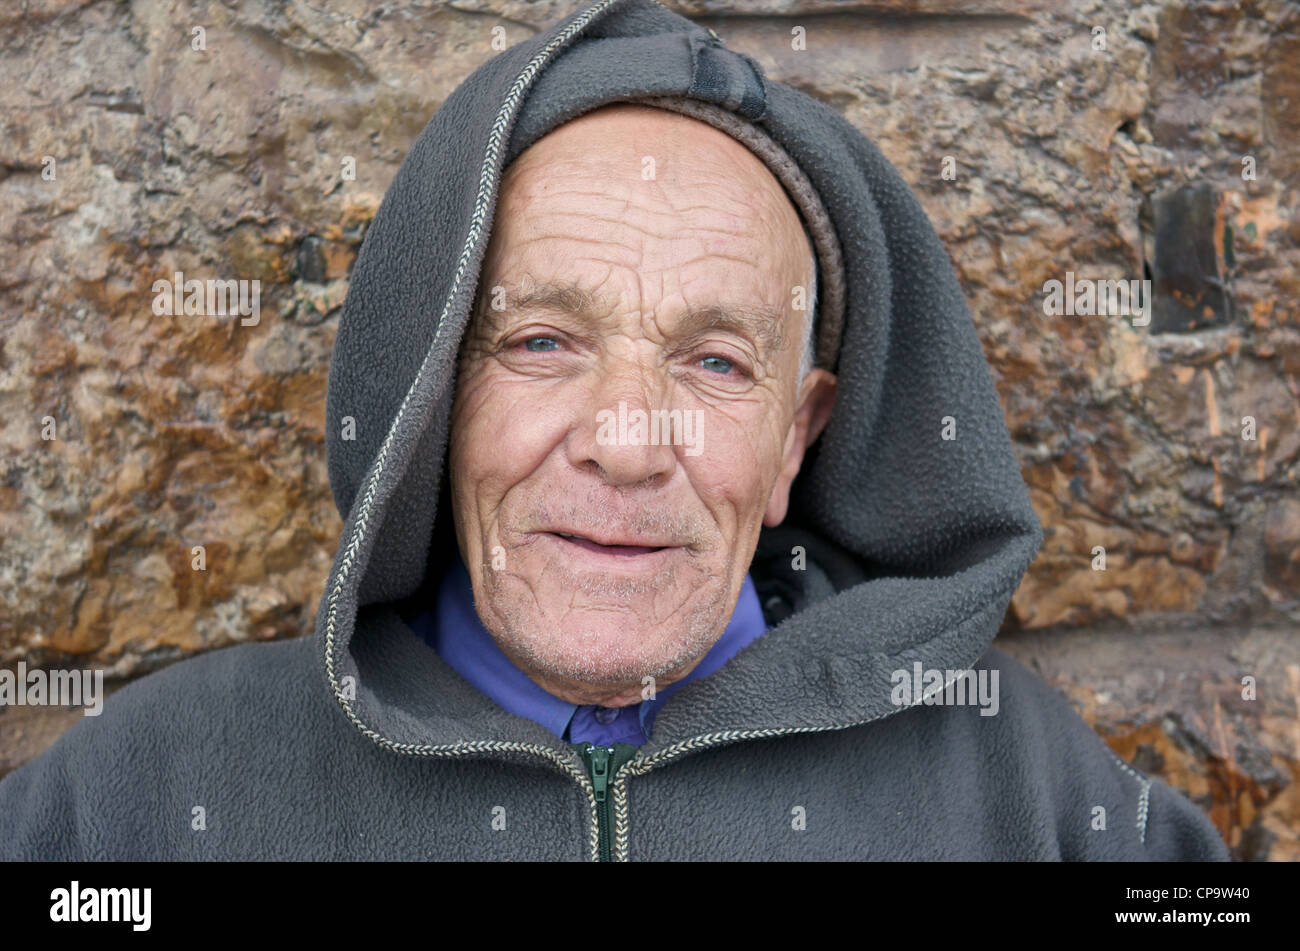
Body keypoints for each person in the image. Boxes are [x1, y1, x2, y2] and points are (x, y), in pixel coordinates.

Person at [0, 0, 1227, 861]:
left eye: (714, 361)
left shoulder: (1034, 800)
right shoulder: (136, 801)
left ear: (794, 441)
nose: (628, 443)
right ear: (436, 394)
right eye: (541, 343)